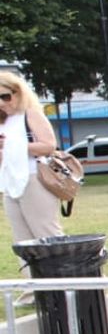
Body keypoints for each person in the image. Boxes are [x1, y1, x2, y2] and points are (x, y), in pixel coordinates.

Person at [0, 72, 63, 257]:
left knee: (47, 235)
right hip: (10, 183)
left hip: (34, 177)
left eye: (5, 96)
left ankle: (67, 282)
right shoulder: (3, 120)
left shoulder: (30, 113)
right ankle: (34, 285)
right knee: (23, 242)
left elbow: (49, 145)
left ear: (18, 93)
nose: (2, 103)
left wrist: (14, 145)